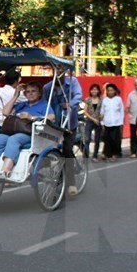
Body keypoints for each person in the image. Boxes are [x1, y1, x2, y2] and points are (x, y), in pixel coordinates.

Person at [0, 82, 54, 177]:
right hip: (13, 130)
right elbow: (5, 112)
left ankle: (5, 171)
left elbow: (52, 117)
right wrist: (15, 96)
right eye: (27, 92)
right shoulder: (22, 104)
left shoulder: (44, 105)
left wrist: (32, 117)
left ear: (39, 93)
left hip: (31, 132)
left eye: (33, 91)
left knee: (14, 139)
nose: (30, 93)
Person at [43, 64, 82, 196]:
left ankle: (71, 183)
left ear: (64, 70)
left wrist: (70, 104)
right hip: (54, 124)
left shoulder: (73, 81)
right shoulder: (47, 87)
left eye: (60, 68)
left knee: (66, 149)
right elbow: (45, 104)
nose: (58, 70)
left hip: (69, 122)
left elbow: (78, 95)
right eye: (55, 68)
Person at [100, 83, 124, 162]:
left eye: (111, 90)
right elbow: (102, 111)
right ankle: (108, 155)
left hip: (116, 123)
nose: (110, 92)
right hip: (107, 123)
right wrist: (102, 123)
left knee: (115, 140)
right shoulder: (105, 100)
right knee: (108, 140)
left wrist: (121, 122)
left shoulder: (118, 99)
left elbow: (121, 111)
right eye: (108, 90)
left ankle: (115, 154)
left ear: (114, 91)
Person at [83, 84, 103, 162]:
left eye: (96, 89)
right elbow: (85, 112)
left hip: (98, 121)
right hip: (90, 120)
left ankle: (95, 156)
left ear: (98, 91)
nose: (94, 91)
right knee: (87, 139)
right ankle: (86, 156)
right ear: (90, 91)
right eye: (92, 89)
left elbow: (104, 109)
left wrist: (101, 116)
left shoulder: (101, 99)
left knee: (97, 139)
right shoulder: (88, 99)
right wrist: (92, 119)